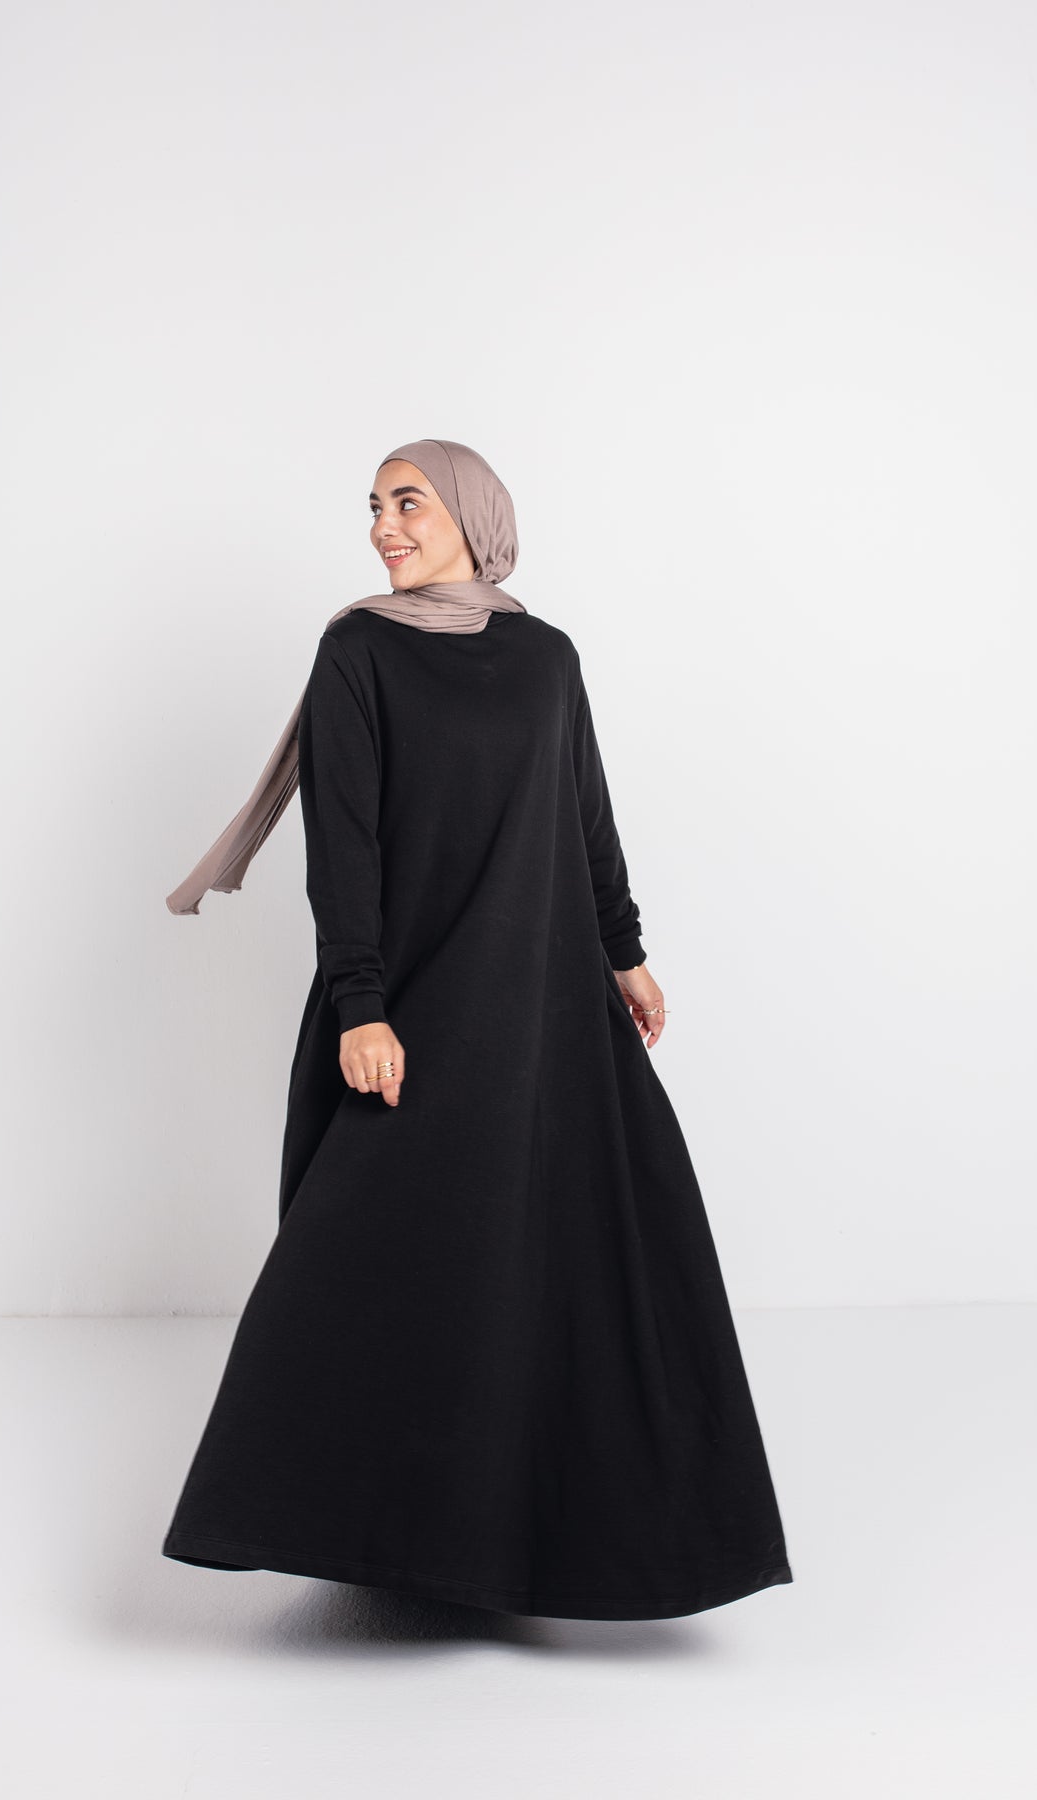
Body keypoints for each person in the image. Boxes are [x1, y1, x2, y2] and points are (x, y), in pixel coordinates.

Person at [160, 438, 793, 1621]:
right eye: (373, 506)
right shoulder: (358, 651)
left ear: (471, 514)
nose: (383, 527)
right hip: (412, 1004)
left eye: (408, 502)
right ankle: (374, 1533)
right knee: (377, 1262)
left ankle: (575, 1541)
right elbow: (343, 844)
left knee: (580, 1255)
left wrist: (625, 952)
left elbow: (584, 813)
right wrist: (360, 1005)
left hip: (546, 1006)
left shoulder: (547, 657)